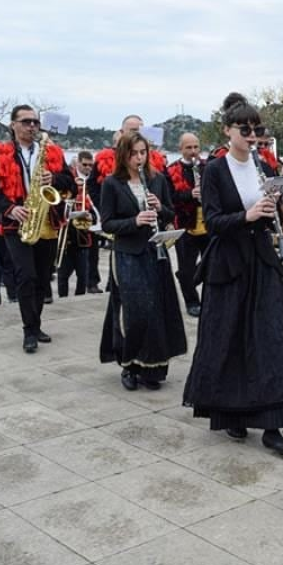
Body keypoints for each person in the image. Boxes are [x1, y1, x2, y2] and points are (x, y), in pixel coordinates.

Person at [182, 94, 283, 454]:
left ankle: (273, 424)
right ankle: (232, 413)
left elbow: (263, 214)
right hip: (229, 264)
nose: (253, 136)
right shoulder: (216, 169)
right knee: (229, 340)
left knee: (272, 338)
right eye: (245, 130)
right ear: (228, 131)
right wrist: (247, 216)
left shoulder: (261, 166)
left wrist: (277, 205)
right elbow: (215, 222)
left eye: (257, 130)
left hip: (261, 259)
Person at [0, 105, 76, 353]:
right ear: (13, 124)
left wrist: (53, 179)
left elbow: (71, 185)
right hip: (17, 222)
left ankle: (36, 324)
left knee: (43, 279)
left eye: (35, 122)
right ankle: (28, 330)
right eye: (26, 122)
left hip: (47, 220)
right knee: (26, 276)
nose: (32, 126)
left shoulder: (52, 151)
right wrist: (10, 208)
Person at [99, 132, 187, 391]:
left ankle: (154, 367)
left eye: (143, 152)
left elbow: (171, 213)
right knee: (135, 311)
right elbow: (107, 223)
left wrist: (160, 207)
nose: (139, 158)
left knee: (158, 310)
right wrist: (134, 221)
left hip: (154, 252)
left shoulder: (157, 180)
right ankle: (129, 364)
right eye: (134, 153)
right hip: (127, 254)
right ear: (123, 155)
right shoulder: (112, 183)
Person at [166, 132, 209, 317]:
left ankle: (207, 298)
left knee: (211, 263)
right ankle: (192, 301)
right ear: (180, 149)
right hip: (185, 225)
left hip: (208, 223)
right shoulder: (170, 171)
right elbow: (169, 199)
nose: (193, 151)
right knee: (186, 267)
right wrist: (190, 194)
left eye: (196, 147)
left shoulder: (208, 167)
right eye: (188, 148)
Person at [56, 150, 101, 298]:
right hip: (68, 232)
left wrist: (92, 217)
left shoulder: (93, 181)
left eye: (91, 165)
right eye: (85, 164)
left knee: (83, 274)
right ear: (78, 163)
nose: (88, 168)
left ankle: (80, 297)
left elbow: (96, 204)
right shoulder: (70, 178)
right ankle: (62, 299)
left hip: (85, 234)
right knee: (63, 274)